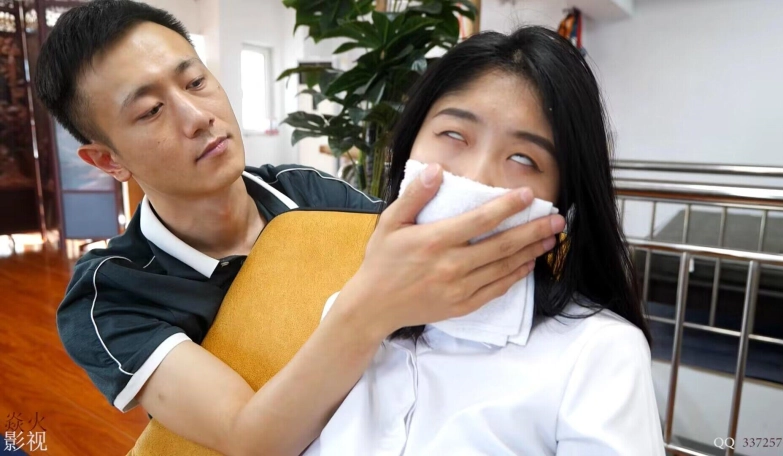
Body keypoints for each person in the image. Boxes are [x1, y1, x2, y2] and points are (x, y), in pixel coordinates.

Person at [35, 1, 565, 455]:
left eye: (196, 81)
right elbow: (251, 438)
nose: (197, 116)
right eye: (151, 110)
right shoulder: (110, 296)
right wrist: (368, 310)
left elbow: (430, 271)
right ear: (107, 160)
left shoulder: (305, 191)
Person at [304, 27, 665, 455]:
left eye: (523, 158)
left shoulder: (600, 354)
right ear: (408, 148)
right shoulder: (346, 310)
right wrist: (360, 314)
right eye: (454, 135)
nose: (475, 179)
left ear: (561, 203)